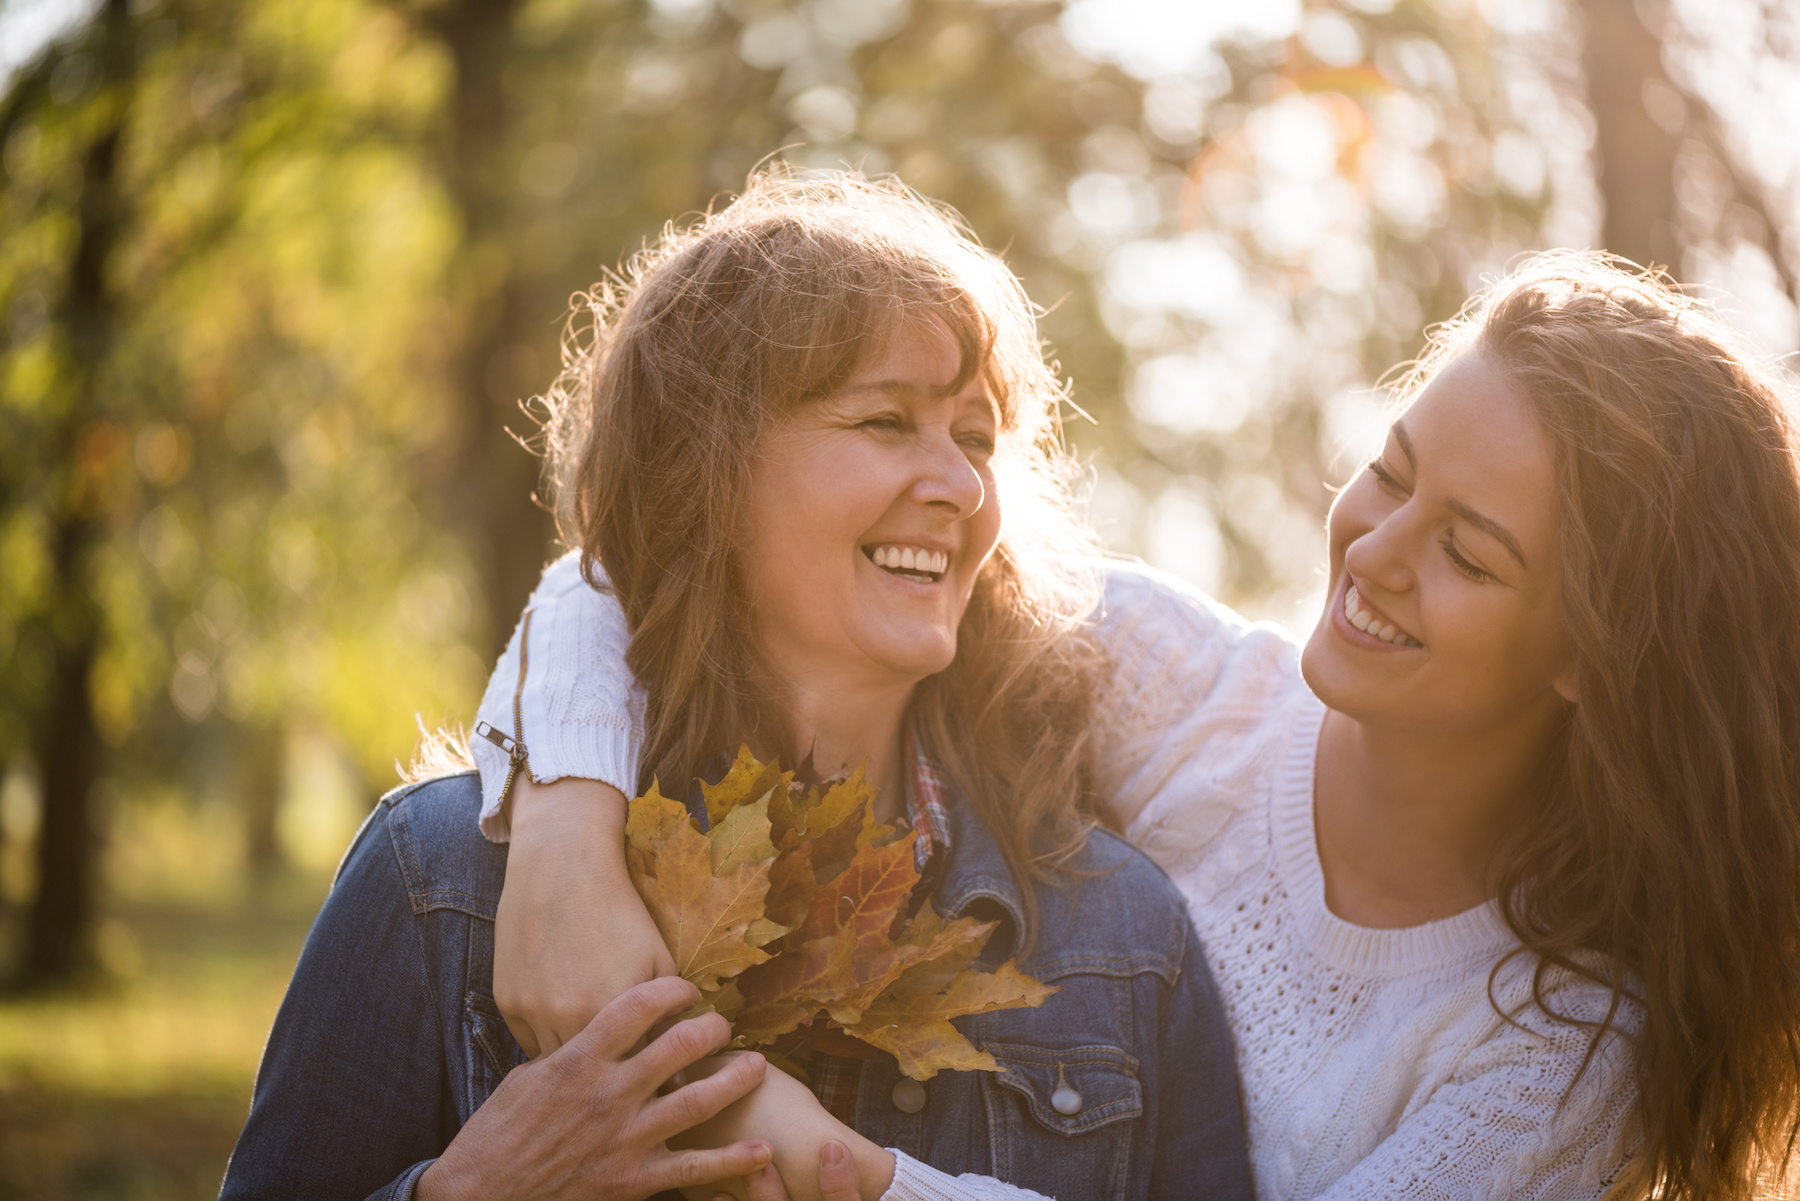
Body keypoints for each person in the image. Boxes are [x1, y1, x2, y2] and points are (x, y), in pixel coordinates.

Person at [476, 250, 1800, 1200]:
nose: (1376, 550)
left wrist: (814, 1156)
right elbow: (654, 580)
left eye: (1467, 551)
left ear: (1591, 657)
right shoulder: (1174, 684)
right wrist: (565, 840)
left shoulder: (1560, 1052)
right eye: (1391, 473)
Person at [220, 170, 1254, 1201]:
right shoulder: (440, 883)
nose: (961, 485)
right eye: (886, 421)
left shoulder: (1120, 935)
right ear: (704, 470)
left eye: (977, 438)